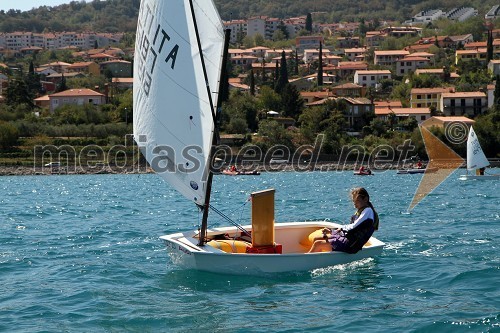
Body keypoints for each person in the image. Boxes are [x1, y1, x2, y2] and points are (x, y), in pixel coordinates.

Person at [308, 187, 379, 254]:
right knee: (316, 239)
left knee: (318, 244)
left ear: (365, 199)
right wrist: (333, 231)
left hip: (351, 245)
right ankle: (321, 260)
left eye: (357, 201)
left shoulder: (368, 211)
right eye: (353, 201)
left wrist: (339, 229)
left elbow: (354, 227)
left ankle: (307, 262)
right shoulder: (361, 211)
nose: (354, 204)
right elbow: (350, 229)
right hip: (347, 238)